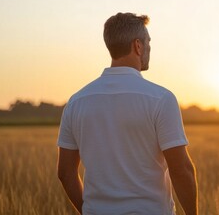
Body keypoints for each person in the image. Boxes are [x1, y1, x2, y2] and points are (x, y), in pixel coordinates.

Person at [57, 12, 198, 215]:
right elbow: (181, 169)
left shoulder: (77, 102)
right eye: (148, 42)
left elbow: (65, 173)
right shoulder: (160, 98)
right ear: (138, 46)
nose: (149, 48)